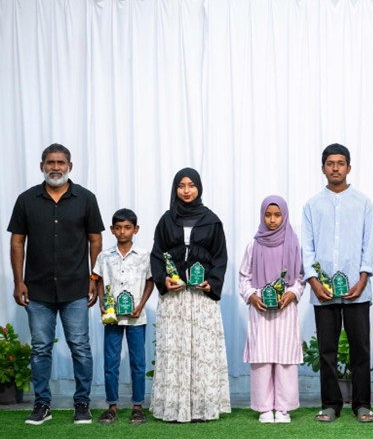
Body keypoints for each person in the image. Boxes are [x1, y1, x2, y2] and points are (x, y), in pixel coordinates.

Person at [7, 143, 104, 425]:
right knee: (40, 348)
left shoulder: (86, 199)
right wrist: (18, 281)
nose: (56, 167)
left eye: (61, 162)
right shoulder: (26, 200)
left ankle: (82, 403)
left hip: (76, 287)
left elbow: (95, 239)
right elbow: (17, 242)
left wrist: (94, 278)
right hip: (37, 289)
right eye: (50, 162)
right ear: (42, 166)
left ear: (70, 166)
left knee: (80, 347)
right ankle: (42, 405)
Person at [301, 143, 373, 423]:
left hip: (358, 289)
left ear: (349, 167)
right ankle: (330, 404)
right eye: (330, 163)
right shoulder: (312, 206)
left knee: (360, 348)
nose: (335, 168)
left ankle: (362, 404)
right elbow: (307, 248)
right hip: (323, 290)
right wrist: (313, 282)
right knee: (327, 350)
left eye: (340, 163)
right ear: (323, 168)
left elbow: (369, 244)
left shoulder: (363, 203)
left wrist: (363, 278)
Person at [149, 167, 230, 422]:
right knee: (175, 350)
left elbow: (220, 257)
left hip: (201, 298)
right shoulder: (166, 220)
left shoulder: (212, 220)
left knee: (201, 351)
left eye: (191, 185)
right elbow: (156, 254)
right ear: (175, 189)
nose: (186, 191)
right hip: (175, 299)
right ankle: (175, 407)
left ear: (199, 188)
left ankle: (203, 407)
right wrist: (163, 280)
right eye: (181, 186)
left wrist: (211, 283)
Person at [239, 195, 304, 424]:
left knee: (285, 358)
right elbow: (244, 277)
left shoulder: (293, 244)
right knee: (262, 358)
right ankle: (264, 408)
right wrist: (252, 296)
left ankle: (284, 408)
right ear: (262, 216)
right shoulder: (253, 245)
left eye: (277, 215)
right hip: (260, 309)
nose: (272, 220)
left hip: (286, 309)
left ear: (284, 216)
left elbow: (300, 277)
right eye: (268, 215)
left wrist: (292, 293)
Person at [92, 208, 154, 424]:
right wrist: (102, 303)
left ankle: (138, 406)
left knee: (138, 362)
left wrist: (141, 305)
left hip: (137, 317)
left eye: (127, 227)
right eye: (118, 228)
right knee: (111, 362)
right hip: (113, 318)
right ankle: (112, 406)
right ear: (111, 229)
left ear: (136, 229)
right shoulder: (104, 256)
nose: (122, 232)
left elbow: (150, 282)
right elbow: (99, 280)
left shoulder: (144, 256)